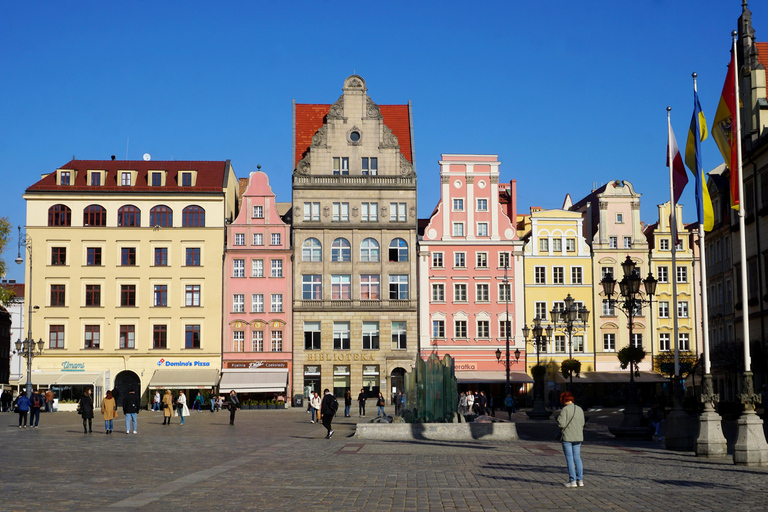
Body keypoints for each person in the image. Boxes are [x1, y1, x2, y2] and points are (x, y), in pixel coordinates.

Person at [557, 391, 585, 488]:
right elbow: (582, 423)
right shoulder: (580, 409)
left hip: (568, 437)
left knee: (570, 458)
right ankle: (580, 480)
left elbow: (562, 424)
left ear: (563, 400)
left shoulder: (565, 410)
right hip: (578, 437)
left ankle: (572, 481)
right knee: (577, 458)